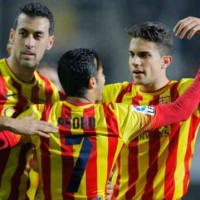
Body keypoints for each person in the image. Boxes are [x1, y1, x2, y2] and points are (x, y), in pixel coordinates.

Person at [17, 48, 200, 199]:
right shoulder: (116, 116)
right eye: (102, 74)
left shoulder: (39, 115)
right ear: (92, 82)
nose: (104, 80)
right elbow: (179, 111)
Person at [103, 17, 200, 200]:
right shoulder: (112, 95)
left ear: (166, 61)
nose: (135, 62)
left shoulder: (184, 92)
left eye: (144, 55)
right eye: (132, 54)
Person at [0, 2, 65, 200]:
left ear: (50, 42)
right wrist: (11, 123)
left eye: (37, 36)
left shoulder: (49, 93)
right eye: (23, 33)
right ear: (12, 36)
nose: (29, 43)